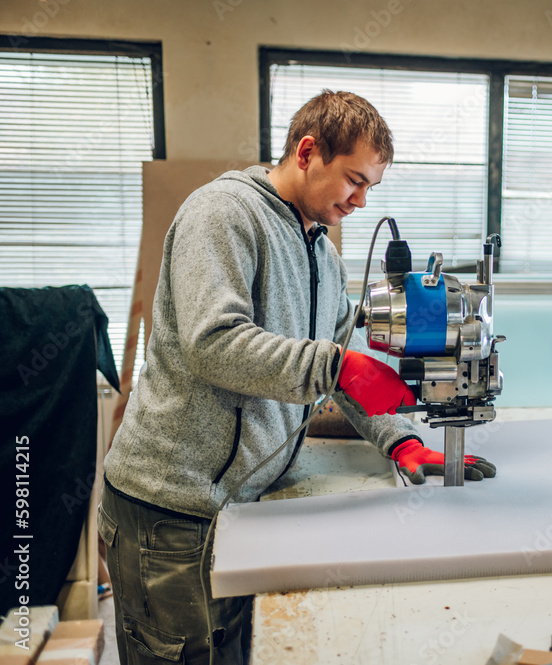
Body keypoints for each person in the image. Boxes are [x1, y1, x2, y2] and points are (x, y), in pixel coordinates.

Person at [100, 90, 496, 665]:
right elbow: (215, 344)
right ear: (307, 150)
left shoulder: (323, 254)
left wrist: (401, 439)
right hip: (170, 512)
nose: (360, 201)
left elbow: (345, 366)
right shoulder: (223, 215)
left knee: (233, 652)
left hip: (243, 502)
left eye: (371, 189)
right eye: (353, 180)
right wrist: (335, 364)